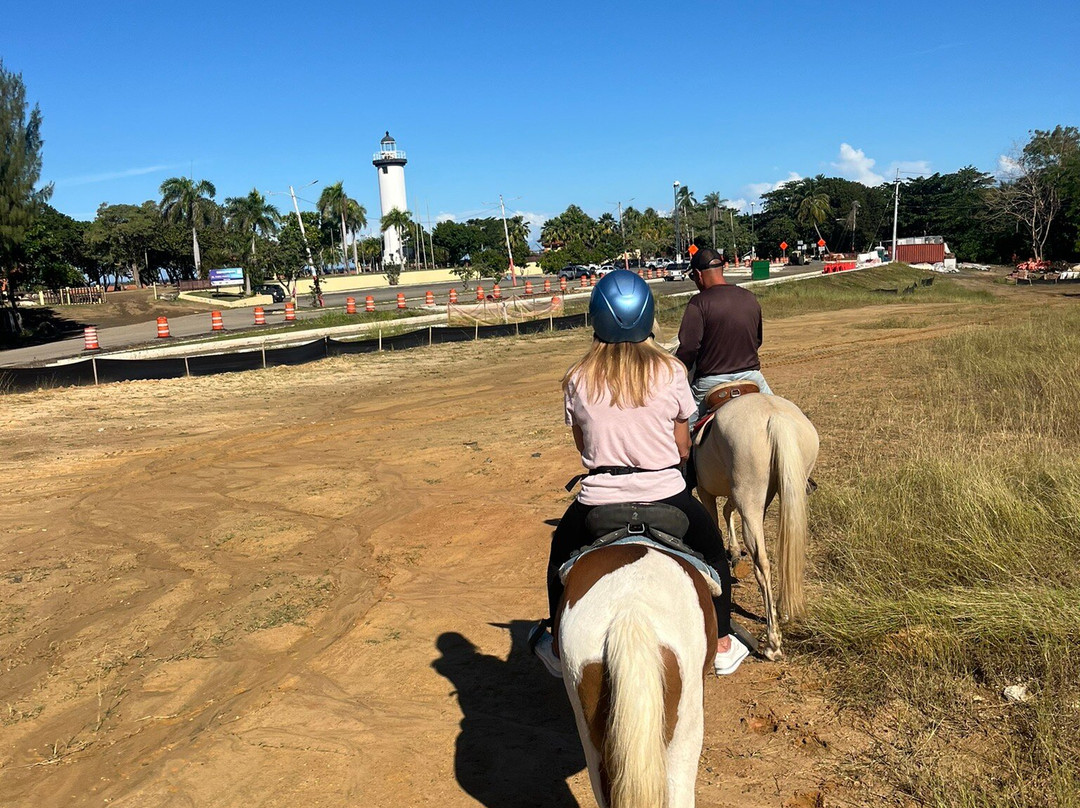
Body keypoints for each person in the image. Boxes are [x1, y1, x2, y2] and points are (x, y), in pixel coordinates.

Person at [530, 270, 749, 678]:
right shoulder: (670, 371)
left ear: (596, 318)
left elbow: (583, 446)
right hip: (667, 494)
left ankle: (559, 645)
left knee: (559, 554)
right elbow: (683, 445)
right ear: (647, 316)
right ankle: (720, 642)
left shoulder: (577, 377)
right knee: (714, 552)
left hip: (598, 501)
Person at [676, 247, 772, 419]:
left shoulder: (698, 303)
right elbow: (757, 341)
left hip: (710, 384)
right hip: (752, 378)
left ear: (698, 274)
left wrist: (676, 373)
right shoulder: (750, 298)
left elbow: (688, 349)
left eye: (693, 277)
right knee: (781, 413)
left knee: (683, 432)